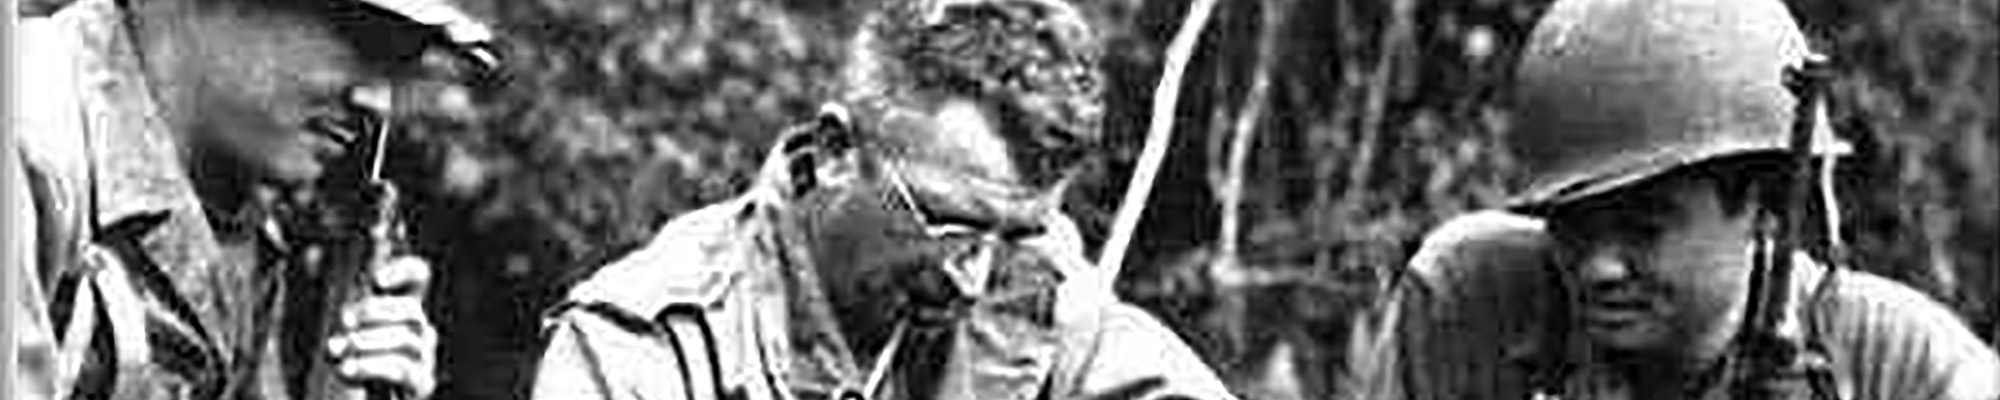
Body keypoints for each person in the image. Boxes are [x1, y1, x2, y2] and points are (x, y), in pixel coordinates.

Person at [529, 1, 1235, 399]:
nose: (972, 280)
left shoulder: (1033, 287)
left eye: (1017, 236)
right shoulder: (650, 342)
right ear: (837, 151)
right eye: (947, 225)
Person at [1342, 0, 2000, 399]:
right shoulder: (1468, 307)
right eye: (1570, 223)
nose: (1598, 266)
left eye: (1644, 226)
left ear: (1765, 207)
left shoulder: (1906, 368)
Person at [10, 0, 496, 398]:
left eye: (397, 64)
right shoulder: (30, 139)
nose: (378, 102)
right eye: (359, 39)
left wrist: (349, 388)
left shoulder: (240, 214)